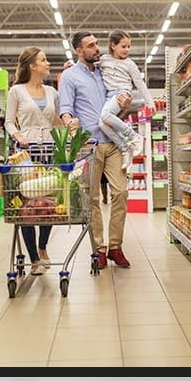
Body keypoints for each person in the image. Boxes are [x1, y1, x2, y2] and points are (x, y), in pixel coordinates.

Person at [58, 32, 132, 269]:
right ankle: (99, 249)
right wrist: (69, 121)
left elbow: (118, 108)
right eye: (91, 46)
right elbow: (66, 108)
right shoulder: (69, 76)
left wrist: (125, 106)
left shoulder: (105, 72)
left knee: (120, 192)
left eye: (97, 44)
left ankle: (116, 247)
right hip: (88, 144)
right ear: (79, 51)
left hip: (113, 141)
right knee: (92, 198)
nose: (97, 48)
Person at [5, 46, 68, 275]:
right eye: (43, 60)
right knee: (28, 205)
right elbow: (9, 121)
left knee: (48, 203)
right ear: (32, 65)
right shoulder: (17, 91)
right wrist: (17, 135)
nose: (48, 63)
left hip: (49, 151)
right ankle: (33, 258)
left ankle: (43, 248)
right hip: (26, 154)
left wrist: (71, 129)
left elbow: (59, 121)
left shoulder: (52, 92)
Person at [98, 30, 149, 171]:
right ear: (113, 45)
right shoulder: (104, 60)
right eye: (123, 46)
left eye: (129, 47)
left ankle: (134, 137)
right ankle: (125, 148)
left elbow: (140, 83)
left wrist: (150, 103)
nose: (127, 50)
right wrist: (71, 66)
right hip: (110, 95)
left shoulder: (129, 64)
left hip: (122, 93)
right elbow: (88, 66)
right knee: (102, 124)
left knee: (105, 116)